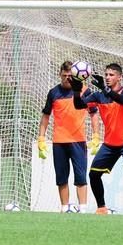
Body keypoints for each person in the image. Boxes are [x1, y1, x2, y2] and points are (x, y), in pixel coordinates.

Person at [71, 63, 123, 216]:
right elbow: (79, 105)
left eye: (111, 75)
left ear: (120, 77)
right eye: (106, 74)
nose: (107, 77)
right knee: (93, 174)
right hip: (110, 144)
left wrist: (105, 89)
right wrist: (76, 89)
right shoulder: (99, 95)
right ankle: (101, 208)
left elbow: (122, 100)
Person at [38, 61, 100, 213]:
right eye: (64, 75)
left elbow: (93, 114)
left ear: (75, 76)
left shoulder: (84, 91)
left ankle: (83, 209)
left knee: (80, 177)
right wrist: (41, 138)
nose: (66, 78)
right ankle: (65, 208)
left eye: (69, 75)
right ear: (59, 74)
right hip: (59, 142)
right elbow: (46, 115)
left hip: (78, 141)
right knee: (61, 178)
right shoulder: (53, 93)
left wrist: (96, 135)